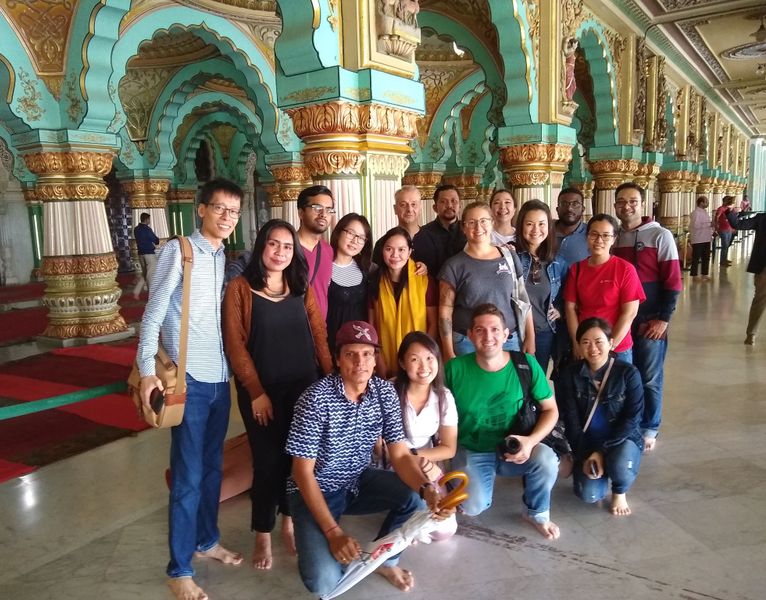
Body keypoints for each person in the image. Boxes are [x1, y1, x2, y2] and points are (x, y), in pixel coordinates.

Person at [285, 320, 454, 597]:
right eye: (351, 354)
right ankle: (314, 535)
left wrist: (427, 490)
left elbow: (399, 454)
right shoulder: (315, 399)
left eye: (367, 354)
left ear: (376, 359)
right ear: (337, 359)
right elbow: (302, 473)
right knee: (324, 582)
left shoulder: (384, 393)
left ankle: (385, 561)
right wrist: (333, 533)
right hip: (316, 488)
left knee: (414, 498)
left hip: (358, 480)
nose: (360, 362)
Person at [137, 178, 244, 600]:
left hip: (219, 378)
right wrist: (147, 369)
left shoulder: (222, 258)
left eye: (234, 211)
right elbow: (153, 312)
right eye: (219, 208)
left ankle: (206, 540)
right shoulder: (179, 251)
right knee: (187, 477)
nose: (227, 217)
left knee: (213, 468)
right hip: (189, 379)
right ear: (201, 209)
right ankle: (179, 569)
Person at [223, 219, 334, 571]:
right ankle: (262, 532)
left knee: (297, 460)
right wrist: (256, 391)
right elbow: (235, 344)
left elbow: (319, 335)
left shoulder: (300, 286)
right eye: (274, 244)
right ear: (261, 246)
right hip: (262, 393)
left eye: (287, 247)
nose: (280, 252)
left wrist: (331, 378)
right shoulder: (240, 288)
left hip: (303, 389)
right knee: (267, 461)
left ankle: (289, 521)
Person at [445, 304, 561, 540]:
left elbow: (551, 410)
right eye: (480, 330)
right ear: (470, 335)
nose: (488, 337)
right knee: (472, 506)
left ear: (506, 334)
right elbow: (436, 413)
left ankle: (537, 512)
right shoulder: (454, 369)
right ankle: (463, 481)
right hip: (472, 449)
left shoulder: (526, 364)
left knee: (547, 459)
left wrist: (530, 442)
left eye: (495, 330)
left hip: (515, 447)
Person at [613, 182, 681, 452]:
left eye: (633, 201)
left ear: (643, 204)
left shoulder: (660, 235)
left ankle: (649, 426)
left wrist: (664, 318)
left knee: (650, 376)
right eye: (621, 201)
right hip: (621, 320)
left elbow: (673, 281)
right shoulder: (614, 237)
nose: (627, 206)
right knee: (626, 375)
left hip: (651, 320)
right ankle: (628, 423)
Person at [555, 317, 644, 516]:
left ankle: (620, 490)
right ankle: (598, 470)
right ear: (578, 345)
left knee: (620, 464)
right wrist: (586, 453)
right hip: (587, 441)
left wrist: (602, 452)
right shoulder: (569, 375)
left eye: (598, 341)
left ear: (611, 343)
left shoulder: (628, 373)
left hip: (621, 439)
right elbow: (571, 421)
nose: (593, 348)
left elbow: (633, 418)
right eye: (586, 342)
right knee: (589, 495)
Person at [439, 202, 534, 360]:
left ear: (492, 223)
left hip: (508, 339)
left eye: (483, 221)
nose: (478, 227)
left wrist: (530, 336)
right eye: (471, 222)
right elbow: (445, 312)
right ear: (463, 227)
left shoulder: (509, 257)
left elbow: (523, 299)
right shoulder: (453, 265)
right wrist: (448, 350)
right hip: (467, 341)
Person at [390, 331, 458, 540]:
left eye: (430, 358)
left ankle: (412, 516)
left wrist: (418, 457)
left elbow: (449, 448)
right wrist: (413, 460)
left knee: (444, 531)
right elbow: (378, 445)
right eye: (414, 359)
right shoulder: (389, 392)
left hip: (426, 461)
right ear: (402, 363)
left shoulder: (444, 396)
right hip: (388, 461)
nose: (424, 366)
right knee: (412, 509)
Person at [563, 214, 645, 364]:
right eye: (594, 234)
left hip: (617, 348)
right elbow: (570, 308)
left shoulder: (625, 269)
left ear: (614, 239)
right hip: (586, 347)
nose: (599, 240)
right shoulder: (577, 269)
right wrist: (577, 343)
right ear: (587, 237)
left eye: (606, 235)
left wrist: (609, 347)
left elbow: (629, 313)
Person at [369, 227, 438, 378]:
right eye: (389, 249)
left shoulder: (424, 281)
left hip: (418, 362)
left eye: (401, 249)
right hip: (385, 361)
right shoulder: (374, 281)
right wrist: (379, 360)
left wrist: (425, 356)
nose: (395, 255)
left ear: (409, 252)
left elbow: (433, 324)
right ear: (382, 251)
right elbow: (372, 325)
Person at [515, 199, 568, 372]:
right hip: (515, 332)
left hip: (545, 332)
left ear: (549, 226)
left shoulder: (558, 262)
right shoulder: (511, 257)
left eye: (541, 224)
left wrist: (560, 310)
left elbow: (568, 295)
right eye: (529, 224)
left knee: (537, 381)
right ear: (521, 226)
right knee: (515, 382)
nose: (536, 229)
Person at [327, 213, 373, 354]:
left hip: (361, 346)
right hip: (331, 344)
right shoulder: (323, 266)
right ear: (339, 232)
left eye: (361, 238)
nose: (355, 241)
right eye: (351, 233)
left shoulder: (368, 269)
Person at [297, 185, 336, 319]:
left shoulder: (328, 250)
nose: (323, 214)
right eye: (317, 208)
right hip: (293, 324)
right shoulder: (286, 249)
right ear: (301, 213)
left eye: (329, 210)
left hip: (319, 327)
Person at [412, 184, 466, 276]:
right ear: (435, 207)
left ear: (460, 205)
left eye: (454, 201)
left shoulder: (468, 230)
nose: (449, 205)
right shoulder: (423, 234)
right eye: (443, 201)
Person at [732, 210, 766, 346]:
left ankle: (751, 334)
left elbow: (738, 225)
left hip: (763, 267)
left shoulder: (762, 218)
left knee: (759, 301)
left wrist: (729, 211)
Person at [373, 186, 422, 266]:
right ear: (395, 209)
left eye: (413, 204)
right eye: (403, 205)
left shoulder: (433, 239)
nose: (409, 209)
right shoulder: (383, 243)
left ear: (420, 208)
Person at [554, 187, 590, 266]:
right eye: (564, 204)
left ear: (583, 209)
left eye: (575, 204)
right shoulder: (545, 232)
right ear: (557, 209)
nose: (569, 208)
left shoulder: (591, 234)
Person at [132, 212, 160, 300]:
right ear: (147, 219)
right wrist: (156, 240)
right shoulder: (147, 229)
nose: (149, 221)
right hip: (149, 254)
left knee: (145, 274)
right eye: (149, 219)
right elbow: (155, 240)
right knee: (150, 275)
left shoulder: (136, 229)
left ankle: (136, 292)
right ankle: (152, 296)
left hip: (141, 254)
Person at [689, 196, 713, 281]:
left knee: (706, 257)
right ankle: (694, 275)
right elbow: (696, 225)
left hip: (706, 238)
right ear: (701, 203)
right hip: (698, 238)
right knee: (696, 257)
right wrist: (709, 224)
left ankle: (704, 274)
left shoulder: (705, 212)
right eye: (706, 202)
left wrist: (712, 229)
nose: (707, 203)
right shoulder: (696, 213)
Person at [714, 195, 738, 268]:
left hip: (729, 229)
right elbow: (717, 217)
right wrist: (716, 227)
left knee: (727, 245)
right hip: (723, 229)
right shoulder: (721, 209)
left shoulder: (728, 209)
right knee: (724, 245)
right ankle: (722, 261)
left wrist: (733, 228)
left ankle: (725, 259)